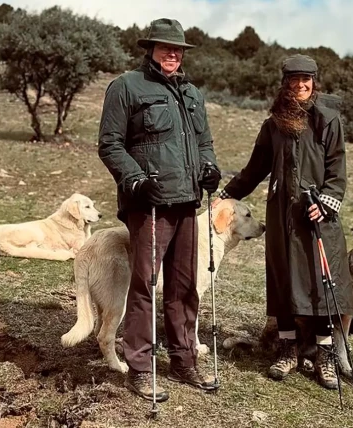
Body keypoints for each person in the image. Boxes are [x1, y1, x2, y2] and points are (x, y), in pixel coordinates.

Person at [212, 54, 353, 390]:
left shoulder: (328, 120)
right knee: (284, 280)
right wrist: (226, 194)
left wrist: (328, 203)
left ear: (314, 81)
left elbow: (337, 170)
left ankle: (325, 355)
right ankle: (287, 349)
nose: (301, 85)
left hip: (317, 216)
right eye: (295, 79)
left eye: (307, 79)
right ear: (285, 83)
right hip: (281, 215)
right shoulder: (273, 124)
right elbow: (254, 169)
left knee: (321, 284)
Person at [97, 18, 222, 402]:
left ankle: (183, 361)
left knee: (184, 288)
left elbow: (204, 142)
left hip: (188, 204)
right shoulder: (126, 87)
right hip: (149, 204)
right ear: (149, 48)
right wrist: (134, 180)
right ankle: (139, 367)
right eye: (165, 47)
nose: (173, 53)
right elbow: (110, 144)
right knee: (145, 286)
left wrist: (210, 168)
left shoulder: (192, 93)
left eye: (178, 49)